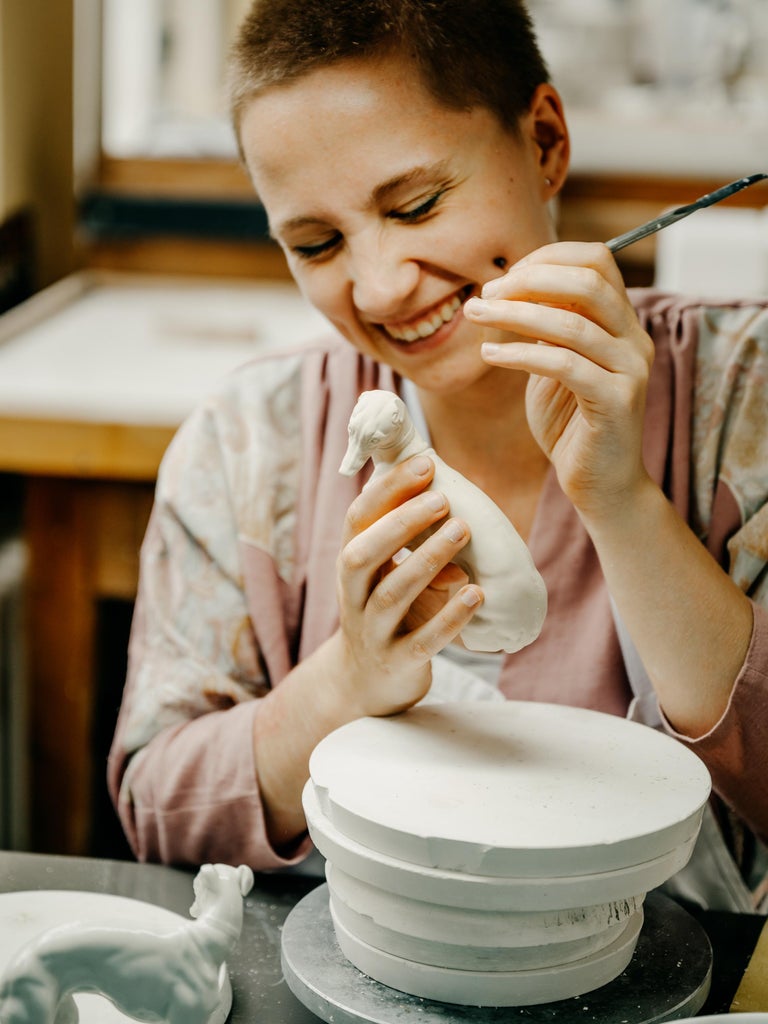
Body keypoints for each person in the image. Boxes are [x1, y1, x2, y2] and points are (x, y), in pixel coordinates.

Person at [108, 0, 768, 910]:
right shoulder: (248, 439)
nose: (381, 289)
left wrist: (622, 502)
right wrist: (348, 679)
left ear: (544, 142)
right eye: (317, 243)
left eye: (417, 205)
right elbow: (158, 806)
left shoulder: (745, 394)